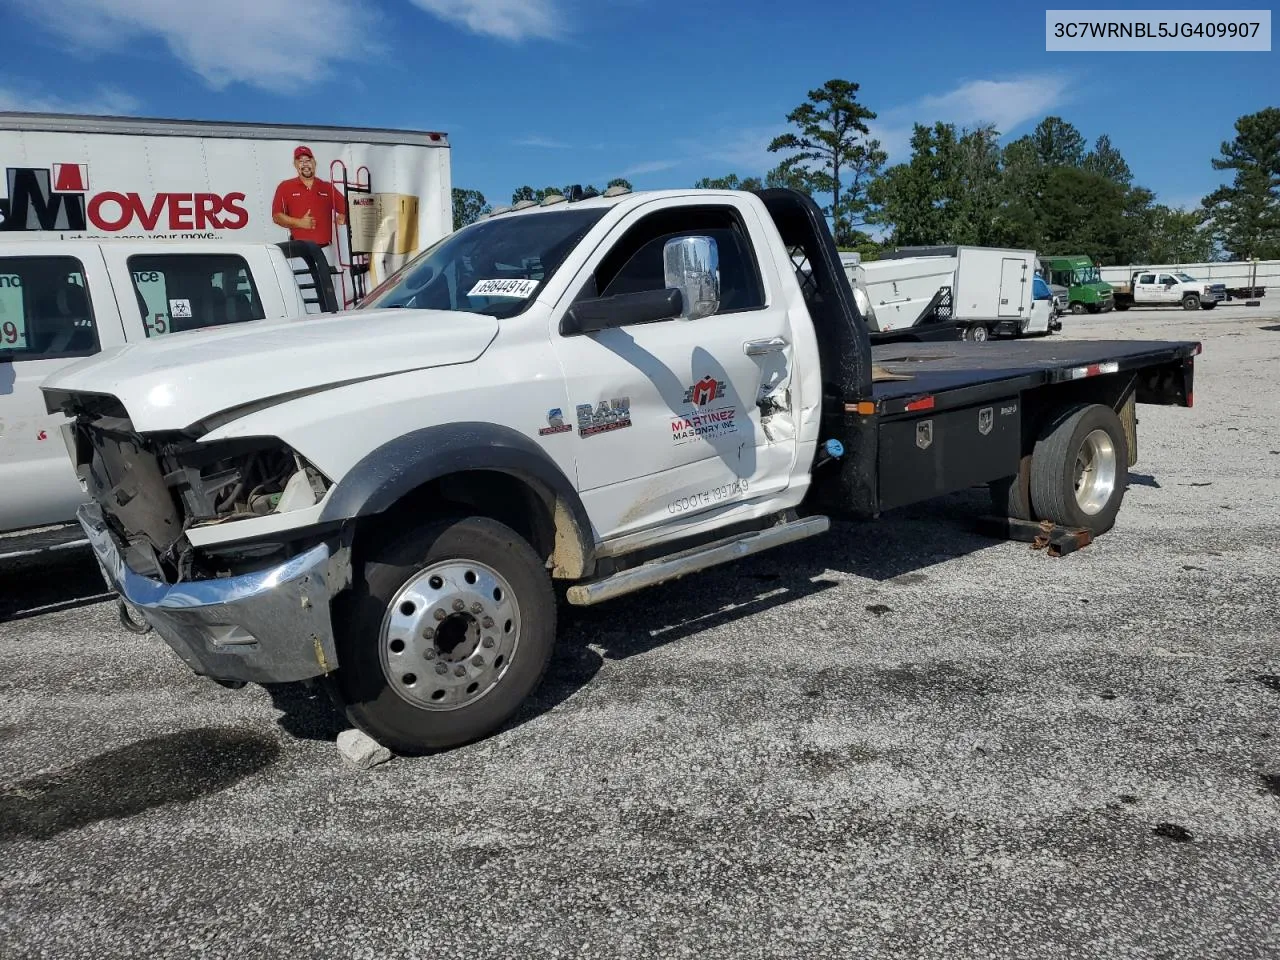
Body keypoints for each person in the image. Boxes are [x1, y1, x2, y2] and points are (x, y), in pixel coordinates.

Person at [271, 146, 347, 247]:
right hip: (299, 250)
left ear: (314, 163)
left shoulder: (327, 187)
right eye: (301, 161)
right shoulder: (285, 187)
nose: (305, 164)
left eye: (308, 160)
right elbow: (277, 216)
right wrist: (299, 223)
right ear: (295, 164)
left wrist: (344, 216)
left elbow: (348, 208)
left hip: (325, 250)